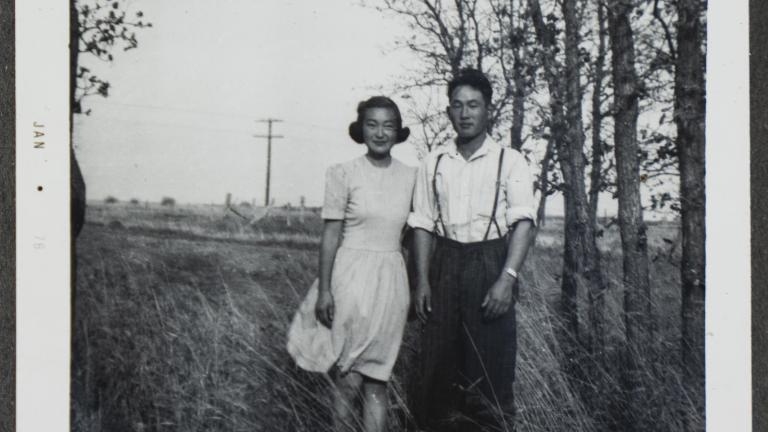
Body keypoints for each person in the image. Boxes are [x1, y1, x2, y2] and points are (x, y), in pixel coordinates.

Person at [407, 68, 537, 431]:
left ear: (488, 110)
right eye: (458, 106)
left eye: (473, 105)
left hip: (490, 263)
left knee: (490, 378)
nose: (465, 114)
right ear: (449, 111)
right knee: (437, 376)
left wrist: (506, 279)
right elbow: (422, 225)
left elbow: (523, 223)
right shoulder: (433, 162)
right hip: (444, 265)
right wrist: (422, 281)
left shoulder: (509, 160)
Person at [286, 96, 416, 432]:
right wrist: (325, 290)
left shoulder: (412, 177)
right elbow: (330, 236)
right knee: (348, 378)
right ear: (360, 129)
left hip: (391, 284)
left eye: (388, 125)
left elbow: (414, 237)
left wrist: (419, 284)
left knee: (378, 378)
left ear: (398, 131)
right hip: (350, 280)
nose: (380, 132)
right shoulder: (344, 173)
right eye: (372, 124)